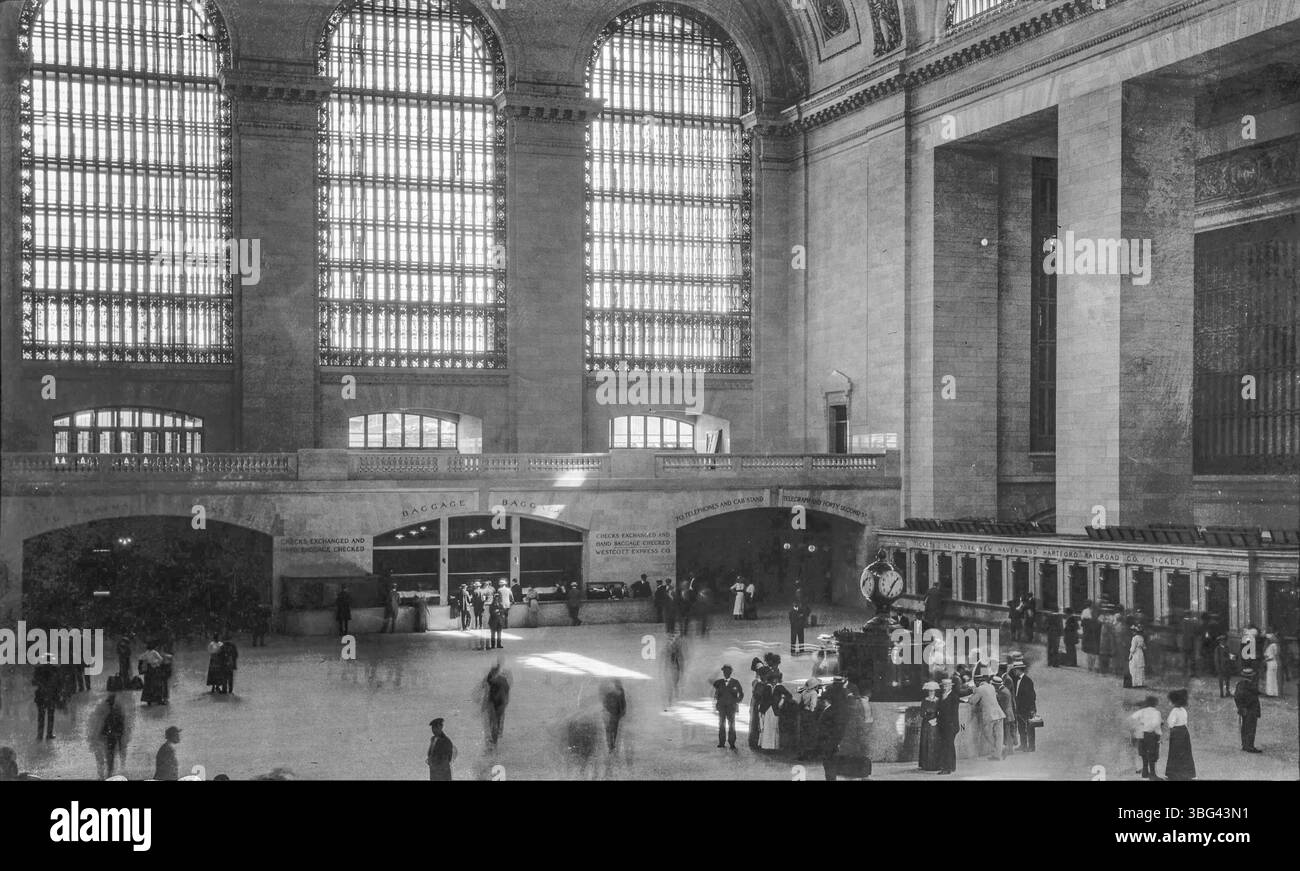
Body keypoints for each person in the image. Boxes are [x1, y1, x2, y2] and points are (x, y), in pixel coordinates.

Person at [967, 673, 1004, 761]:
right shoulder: (991, 686)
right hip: (999, 713)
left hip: (989, 715)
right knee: (999, 735)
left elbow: (972, 701)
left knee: (987, 734)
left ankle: (996, 750)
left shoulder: (979, 689)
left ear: (977, 682)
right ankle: (998, 754)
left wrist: (971, 695)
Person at [1164, 689, 1196, 780]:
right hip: (1184, 732)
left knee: (1175, 753)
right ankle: (1188, 773)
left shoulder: (1174, 711)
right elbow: (1185, 722)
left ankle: (1174, 774)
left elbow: (1171, 723)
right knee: (1185, 753)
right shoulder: (1183, 710)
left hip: (1176, 732)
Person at [1129, 695, 1162, 779]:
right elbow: (1156, 724)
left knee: (1143, 753)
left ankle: (1145, 772)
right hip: (1152, 735)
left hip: (1142, 734)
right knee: (1152, 754)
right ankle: (1153, 774)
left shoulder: (1142, 711)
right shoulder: (1156, 712)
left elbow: (1132, 717)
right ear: (1155, 703)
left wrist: (1141, 725)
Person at [712, 665, 744, 751]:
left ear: (730, 673)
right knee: (721, 724)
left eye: (728, 672)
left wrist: (737, 701)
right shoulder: (719, 682)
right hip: (722, 707)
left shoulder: (736, 682)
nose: (726, 673)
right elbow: (715, 694)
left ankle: (732, 743)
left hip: (731, 708)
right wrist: (717, 703)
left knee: (732, 725)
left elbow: (741, 694)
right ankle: (721, 743)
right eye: (724, 672)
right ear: (723, 673)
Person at [481, 660, 511, 748]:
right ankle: (494, 738)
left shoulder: (502, 683)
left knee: (496, 721)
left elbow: (504, 697)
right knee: (493, 721)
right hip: (494, 701)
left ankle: (495, 739)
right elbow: (485, 688)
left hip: (500, 702)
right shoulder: (492, 681)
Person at [1009, 661, 1036, 752]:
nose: (1013, 672)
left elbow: (1032, 696)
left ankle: (1031, 747)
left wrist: (1031, 709)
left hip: (1027, 709)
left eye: (1015, 670)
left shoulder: (1028, 681)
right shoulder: (1016, 680)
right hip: (1019, 709)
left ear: (1019, 670)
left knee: (1029, 728)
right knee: (1021, 728)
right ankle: (1023, 745)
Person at [935, 677, 960, 774]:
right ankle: (951, 766)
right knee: (949, 746)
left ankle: (947, 768)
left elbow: (953, 712)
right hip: (944, 725)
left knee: (947, 746)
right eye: (943, 685)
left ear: (951, 686)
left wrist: (950, 724)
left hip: (950, 725)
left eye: (947, 685)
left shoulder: (954, 696)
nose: (945, 687)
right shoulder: (942, 695)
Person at [32, 654, 61, 740]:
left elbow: (33, 682)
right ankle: (49, 734)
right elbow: (59, 683)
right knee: (50, 715)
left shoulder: (38, 670)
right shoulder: (55, 670)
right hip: (51, 696)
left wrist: (41, 685)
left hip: (41, 696)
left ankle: (40, 735)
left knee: (41, 716)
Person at [1233, 667, 1262, 753]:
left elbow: (1236, 697)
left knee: (1245, 727)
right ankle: (1249, 746)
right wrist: (1243, 707)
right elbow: (1240, 697)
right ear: (1251, 676)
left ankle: (1245, 745)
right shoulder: (1249, 685)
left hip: (1245, 709)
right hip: (1250, 709)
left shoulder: (1240, 684)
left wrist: (1240, 707)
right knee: (1251, 728)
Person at [99, 693, 127, 778]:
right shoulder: (115, 712)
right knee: (111, 753)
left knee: (110, 753)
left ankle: (110, 770)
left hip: (112, 736)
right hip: (114, 735)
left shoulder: (112, 713)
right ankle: (111, 769)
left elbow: (107, 724)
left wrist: (103, 733)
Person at [918, 681, 942, 771]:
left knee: (935, 743)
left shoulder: (938, 700)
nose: (931, 692)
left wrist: (936, 719)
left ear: (935, 691)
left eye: (933, 691)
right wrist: (928, 718)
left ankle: (935, 764)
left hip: (935, 724)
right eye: (930, 691)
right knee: (926, 743)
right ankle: (926, 764)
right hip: (926, 724)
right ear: (928, 691)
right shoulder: (925, 700)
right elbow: (921, 713)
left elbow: (940, 712)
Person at [601, 679, 627, 754]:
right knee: (612, 730)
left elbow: (622, 702)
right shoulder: (618, 692)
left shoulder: (619, 692)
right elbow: (622, 702)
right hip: (613, 713)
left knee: (611, 730)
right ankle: (611, 746)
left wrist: (622, 711)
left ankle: (611, 746)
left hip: (614, 713)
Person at [993, 674, 1017, 756]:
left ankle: (1008, 751)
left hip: (1006, 715)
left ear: (997, 685)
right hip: (1010, 715)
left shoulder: (1002, 692)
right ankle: (1010, 750)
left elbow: (1001, 705)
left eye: (994, 685)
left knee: (1007, 734)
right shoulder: (1005, 690)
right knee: (1009, 733)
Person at [139, 642, 167, 706]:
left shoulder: (145, 653)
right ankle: (159, 700)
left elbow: (140, 658)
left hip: (148, 671)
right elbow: (161, 659)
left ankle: (149, 700)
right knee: (157, 684)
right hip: (154, 670)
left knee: (148, 685)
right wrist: (155, 663)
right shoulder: (154, 652)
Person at [1081, 603, 1099, 672]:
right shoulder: (1095, 620)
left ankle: (1090, 667)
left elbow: (1082, 625)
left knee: (1089, 652)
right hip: (1093, 637)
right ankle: (1091, 666)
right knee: (1092, 652)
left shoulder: (1085, 620)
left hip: (1088, 637)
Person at [1262, 633, 1280, 697]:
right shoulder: (1274, 645)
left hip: (1271, 662)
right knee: (1273, 678)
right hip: (1273, 662)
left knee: (1270, 678)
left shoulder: (1272, 646)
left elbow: (1272, 656)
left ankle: (1270, 693)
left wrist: (1265, 660)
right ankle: (1274, 692)